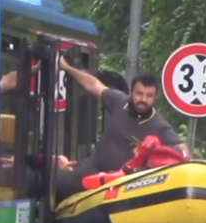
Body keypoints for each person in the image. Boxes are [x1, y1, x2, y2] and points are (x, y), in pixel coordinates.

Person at [55, 56, 189, 201]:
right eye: (139, 93)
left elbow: (183, 151)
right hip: (92, 168)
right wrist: (67, 68)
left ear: (155, 98)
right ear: (131, 92)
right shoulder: (119, 101)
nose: (143, 99)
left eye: (149, 95)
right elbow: (93, 85)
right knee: (59, 183)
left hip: (121, 184)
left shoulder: (159, 125)